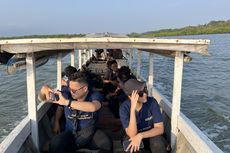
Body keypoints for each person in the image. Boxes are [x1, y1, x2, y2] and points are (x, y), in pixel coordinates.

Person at [40, 72, 112, 153]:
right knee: (55, 143)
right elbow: (41, 96)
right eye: (70, 88)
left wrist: (67, 103)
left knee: (106, 144)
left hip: (90, 134)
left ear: (85, 89)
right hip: (70, 134)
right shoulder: (66, 94)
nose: (71, 92)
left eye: (74, 90)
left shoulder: (95, 95)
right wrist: (46, 89)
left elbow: (93, 107)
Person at [119, 79, 167, 153]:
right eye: (141, 93)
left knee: (158, 143)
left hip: (151, 135)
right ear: (131, 97)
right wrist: (132, 110)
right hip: (134, 136)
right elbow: (132, 134)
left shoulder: (152, 102)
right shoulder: (124, 108)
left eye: (145, 90)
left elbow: (160, 129)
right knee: (130, 146)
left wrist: (141, 135)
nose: (145, 94)